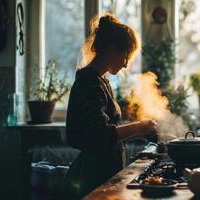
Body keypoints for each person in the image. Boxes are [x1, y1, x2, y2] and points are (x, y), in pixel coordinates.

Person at [64, 13, 157, 199]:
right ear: (113, 50)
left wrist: (139, 132)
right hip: (92, 176)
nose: (125, 65)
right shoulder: (89, 82)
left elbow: (107, 131)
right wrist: (140, 126)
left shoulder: (101, 81)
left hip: (102, 171)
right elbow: (100, 135)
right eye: (126, 57)